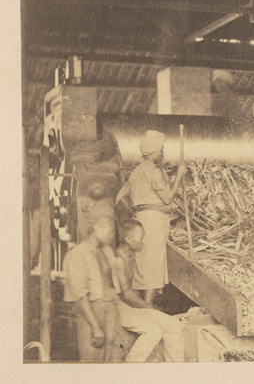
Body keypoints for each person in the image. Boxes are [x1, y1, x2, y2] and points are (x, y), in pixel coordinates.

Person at [116, 130, 186, 306]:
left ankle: (142, 304)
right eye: (161, 149)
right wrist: (179, 175)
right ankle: (147, 306)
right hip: (154, 220)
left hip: (141, 218)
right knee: (153, 264)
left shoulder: (136, 172)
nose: (163, 153)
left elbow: (120, 197)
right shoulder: (154, 171)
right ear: (153, 152)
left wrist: (135, 211)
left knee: (142, 263)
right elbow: (168, 198)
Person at [115, 220, 185, 362]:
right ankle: (130, 366)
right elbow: (127, 295)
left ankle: (176, 370)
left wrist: (147, 308)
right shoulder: (118, 260)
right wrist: (149, 307)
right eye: (141, 237)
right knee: (154, 330)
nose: (144, 241)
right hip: (118, 307)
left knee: (174, 325)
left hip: (131, 306)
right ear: (128, 239)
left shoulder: (131, 255)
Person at [63, 212, 123, 362]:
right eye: (108, 230)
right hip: (90, 311)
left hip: (111, 308)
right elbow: (80, 295)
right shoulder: (77, 254)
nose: (111, 235)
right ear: (95, 228)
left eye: (112, 231)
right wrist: (95, 327)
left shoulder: (107, 251)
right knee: (91, 359)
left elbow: (115, 284)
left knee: (113, 359)